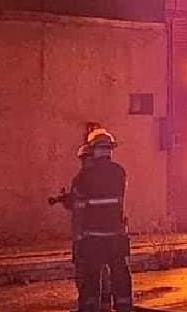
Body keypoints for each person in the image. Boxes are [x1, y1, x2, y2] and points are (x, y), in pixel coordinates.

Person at [67, 128, 132, 312]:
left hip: (93, 236)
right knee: (120, 273)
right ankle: (124, 305)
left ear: (93, 150)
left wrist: (69, 202)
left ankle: (91, 307)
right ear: (110, 150)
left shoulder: (83, 176)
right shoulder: (120, 172)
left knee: (90, 277)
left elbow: (78, 206)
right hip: (116, 234)